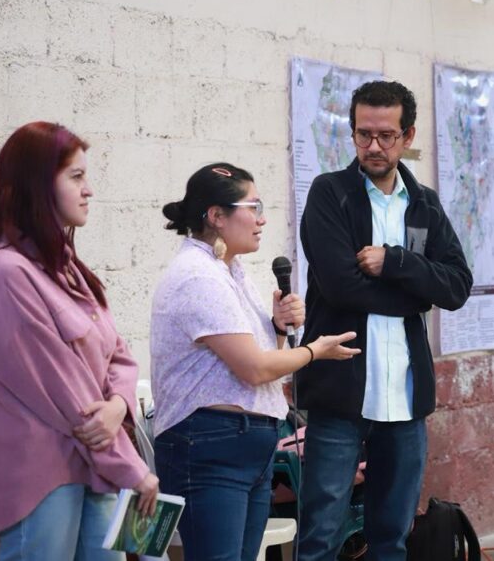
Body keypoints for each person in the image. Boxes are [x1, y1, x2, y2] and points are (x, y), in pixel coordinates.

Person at [0, 121, 159, 560]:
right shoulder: (5, 274)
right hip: (43, 477)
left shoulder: (66, 269)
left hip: (95, 467)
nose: (89, 190)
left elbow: (119, 355)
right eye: (76, 176)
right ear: (37, 186)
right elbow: (66, 392)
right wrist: (131, 467)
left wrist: (118, 405)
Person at [296, 80, 473, 561]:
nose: (373, 146)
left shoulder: (424, 204)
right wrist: (417, 297)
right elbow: (340, 286)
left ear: (408, 136)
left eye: (386, 135)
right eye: (363, 134)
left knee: (392, 539)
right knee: (320, 539)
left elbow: (457, 286)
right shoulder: (330, 193)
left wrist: (395, 262)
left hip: (405, 400)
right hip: (340, 396)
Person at [150, 162, 360, 561]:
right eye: (254, 207)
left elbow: (261, 360)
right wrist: (315, 350)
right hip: (211, 446)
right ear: (217, 216)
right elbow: (255, 369)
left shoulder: (229, 270)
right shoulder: (199, 277)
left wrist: (278, 328)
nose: (262, 219)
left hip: (247, 446)